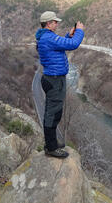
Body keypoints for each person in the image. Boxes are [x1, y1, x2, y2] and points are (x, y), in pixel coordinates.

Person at [35, 11, 85, 158]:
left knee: (55, 113)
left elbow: (60, 45)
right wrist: (79, 31)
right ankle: (51, 147)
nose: (57, 24)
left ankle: (52, 143)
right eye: (55, 22)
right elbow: (73, 44)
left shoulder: (46, 37)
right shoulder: (48, 37)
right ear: (48, 23)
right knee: (52, 114)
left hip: (54, 78)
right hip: (54, 80)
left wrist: (68, 35)